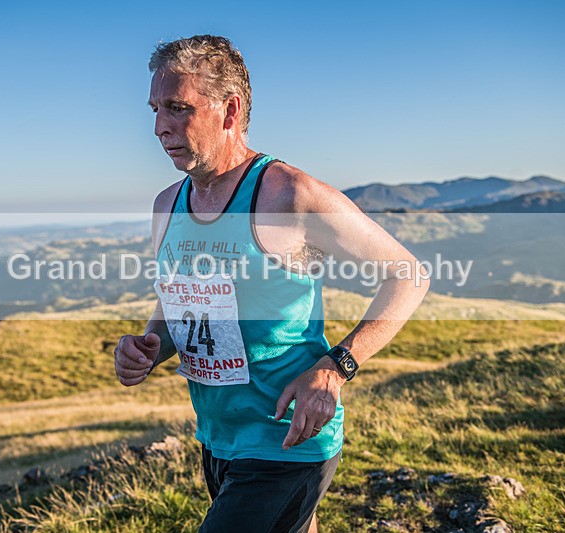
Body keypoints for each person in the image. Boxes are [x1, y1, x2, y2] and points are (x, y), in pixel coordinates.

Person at [114, 35, 429, 533]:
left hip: (287, 440)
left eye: (178, 108)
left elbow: (409, 275)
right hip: (218, 438)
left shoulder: (290, 195)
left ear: (230, 110)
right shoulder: (166, 205)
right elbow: (180, 305)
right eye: (155, 110)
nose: (159, 127)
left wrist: (335, 369)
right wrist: (149, 346)